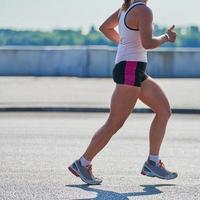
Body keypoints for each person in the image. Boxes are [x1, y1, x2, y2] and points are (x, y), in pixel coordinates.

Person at [68, 0, 177, 185]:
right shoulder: (143, 10)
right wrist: (166, 37)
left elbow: (105, 28)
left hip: (135, 69)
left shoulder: (125, 9)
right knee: (114, 123)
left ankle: (152, 162)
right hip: (130, 69)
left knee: (164, 111)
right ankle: (82, 162)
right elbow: (148, 43)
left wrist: (125, 42)